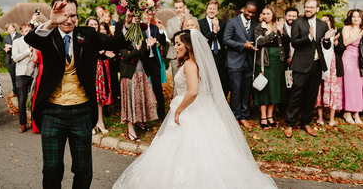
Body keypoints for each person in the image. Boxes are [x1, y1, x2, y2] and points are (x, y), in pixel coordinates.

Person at [113, 29, 277, 189]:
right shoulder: (190, 63)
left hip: (190, 111)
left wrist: (178, 110)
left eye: (178, 44)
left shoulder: (190, 65)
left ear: (188, 46)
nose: (175, 47)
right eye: (175, 44)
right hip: (197, 109)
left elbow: (192, 92)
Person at [24, 0, 131, 188]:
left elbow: (115, 43)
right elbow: (30, 39)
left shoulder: (87, 34)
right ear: (56, 15)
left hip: (81, 111)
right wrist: (51, 21)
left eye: (73, 15)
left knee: (83, 171)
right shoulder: (48, 35)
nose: (69, 19)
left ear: (78, 16)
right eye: (64, 15)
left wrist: (129, 24)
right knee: (52, 169)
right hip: (51, 111)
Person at [284, 0, 335, 138]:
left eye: (311, 7)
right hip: (300, 65)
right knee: (296, 95)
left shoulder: (322, 24)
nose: (308, 9)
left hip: (317, 65)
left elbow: (324, 46)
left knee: (311, 96)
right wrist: (309, 37)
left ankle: (306, 122)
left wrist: (326, 39)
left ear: (317, 9)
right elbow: (294, 42)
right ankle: (289, 124)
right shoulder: (297, 23)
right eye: (306, 6)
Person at [223, 0, 258, 129]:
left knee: (246, 90)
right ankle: (235, 116)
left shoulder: (254, 24)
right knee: (236, 90)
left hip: (248, 62)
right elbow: (226, 40)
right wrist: (242, 45)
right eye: (249, 12)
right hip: (234, 62)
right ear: (244, 9)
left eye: (253, 13)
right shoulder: (232, 22)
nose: (250, 15)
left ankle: (244, 116)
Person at [119, 29, 158, 141]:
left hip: (141, 74)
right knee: (131, 101)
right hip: (129, 76)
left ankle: (138, 121)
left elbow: (143, 57)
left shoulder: (139, 40)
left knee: (140, 100)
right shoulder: (122, 41)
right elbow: (126, 57)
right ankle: (130, 128)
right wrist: (137, 49)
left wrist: (147, 47)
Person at [253, 5, 286, 129]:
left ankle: (270, 116)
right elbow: (259, 42)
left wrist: (281, 32)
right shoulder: (259, 28)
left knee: (274, 89)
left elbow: (286, 41)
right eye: (264, 13)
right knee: (264, 89)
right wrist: (273, 33)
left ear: (273, 14)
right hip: (264, 62)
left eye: (268, 13)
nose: (266, 16)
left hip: (277, 61)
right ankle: (263, 117)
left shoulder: (278, 25)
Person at [199, 0, 229, 98]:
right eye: (210, 8)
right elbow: (203, 39)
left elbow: (224, 40)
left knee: (223, 81)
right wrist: (214, 31)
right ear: (206, 10)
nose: (212, 11)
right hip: (207, 54)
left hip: (220, 55)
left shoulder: (222, 23)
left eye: (214, 9)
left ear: (217, 11)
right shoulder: (200, 23)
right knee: (208, 81)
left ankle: (221, 101)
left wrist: (218, 29)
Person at [142, 11, 167, 121]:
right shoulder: (138, 28)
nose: (147, 16)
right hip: (143, 62)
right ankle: (146, 114)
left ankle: (161, 114)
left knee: (157, 88)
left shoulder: (154, 28)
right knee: (144, 88)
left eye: (148, 15)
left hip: (154, 61)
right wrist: (147, 43)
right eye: (144, 15)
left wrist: (161, 30)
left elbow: (162, 42)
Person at [341, 9, 363, 124]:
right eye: (354, 17)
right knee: (349, 86)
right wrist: (360, 34)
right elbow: (345, 42)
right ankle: (347, 112)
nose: (356, 19)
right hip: (349, 58)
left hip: (361, 60)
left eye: (358, 17)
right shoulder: (347, 28)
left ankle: (357, 113)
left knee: (359, 86)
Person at [12, 23, 35, 133]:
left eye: (30, 30)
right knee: (22, 100)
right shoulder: (17, 42)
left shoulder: (36, 41)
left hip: (34, 73)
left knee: (35, 99)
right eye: (26, 31)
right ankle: (23, 123)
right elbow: (15, 58)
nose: (29, 32)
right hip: (21, 73)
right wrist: (28, 51)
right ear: (22, 32)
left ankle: (36, 123)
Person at [166, 0, 192, 90]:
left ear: (184, 7)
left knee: (190, 80)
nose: (178, 10)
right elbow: (170, 36)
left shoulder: (192, 19)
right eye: (176, 8)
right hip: (175, 54)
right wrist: (179, 26)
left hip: (190, 54)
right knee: (177, 81)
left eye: (180, 7)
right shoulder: (170, 21)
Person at [3, 23, 22, 97]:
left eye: (11, 28)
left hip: (17, 58)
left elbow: (21, 45)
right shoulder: (6, 37)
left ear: (14, 28)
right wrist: (5, 49)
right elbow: (4, 47)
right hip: (9, 59)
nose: (10, 30)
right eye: (8, 29)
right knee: (12, 76)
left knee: (18, 76)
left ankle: (19, 91)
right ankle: (15, 90)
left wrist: (11, 46)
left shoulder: (19, 35)